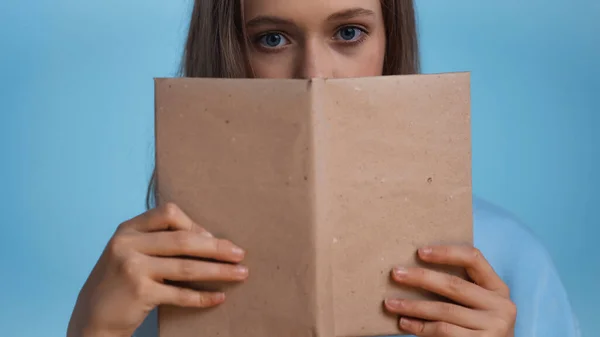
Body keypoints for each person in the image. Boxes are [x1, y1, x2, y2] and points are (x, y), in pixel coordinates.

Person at [67, 0, 581, 336]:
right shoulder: (157, 269)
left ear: (390, 41)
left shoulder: (504, 256)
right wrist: (91, 330)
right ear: (228, 52)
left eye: (349, 32)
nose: (315, 75)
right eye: (272, 39)